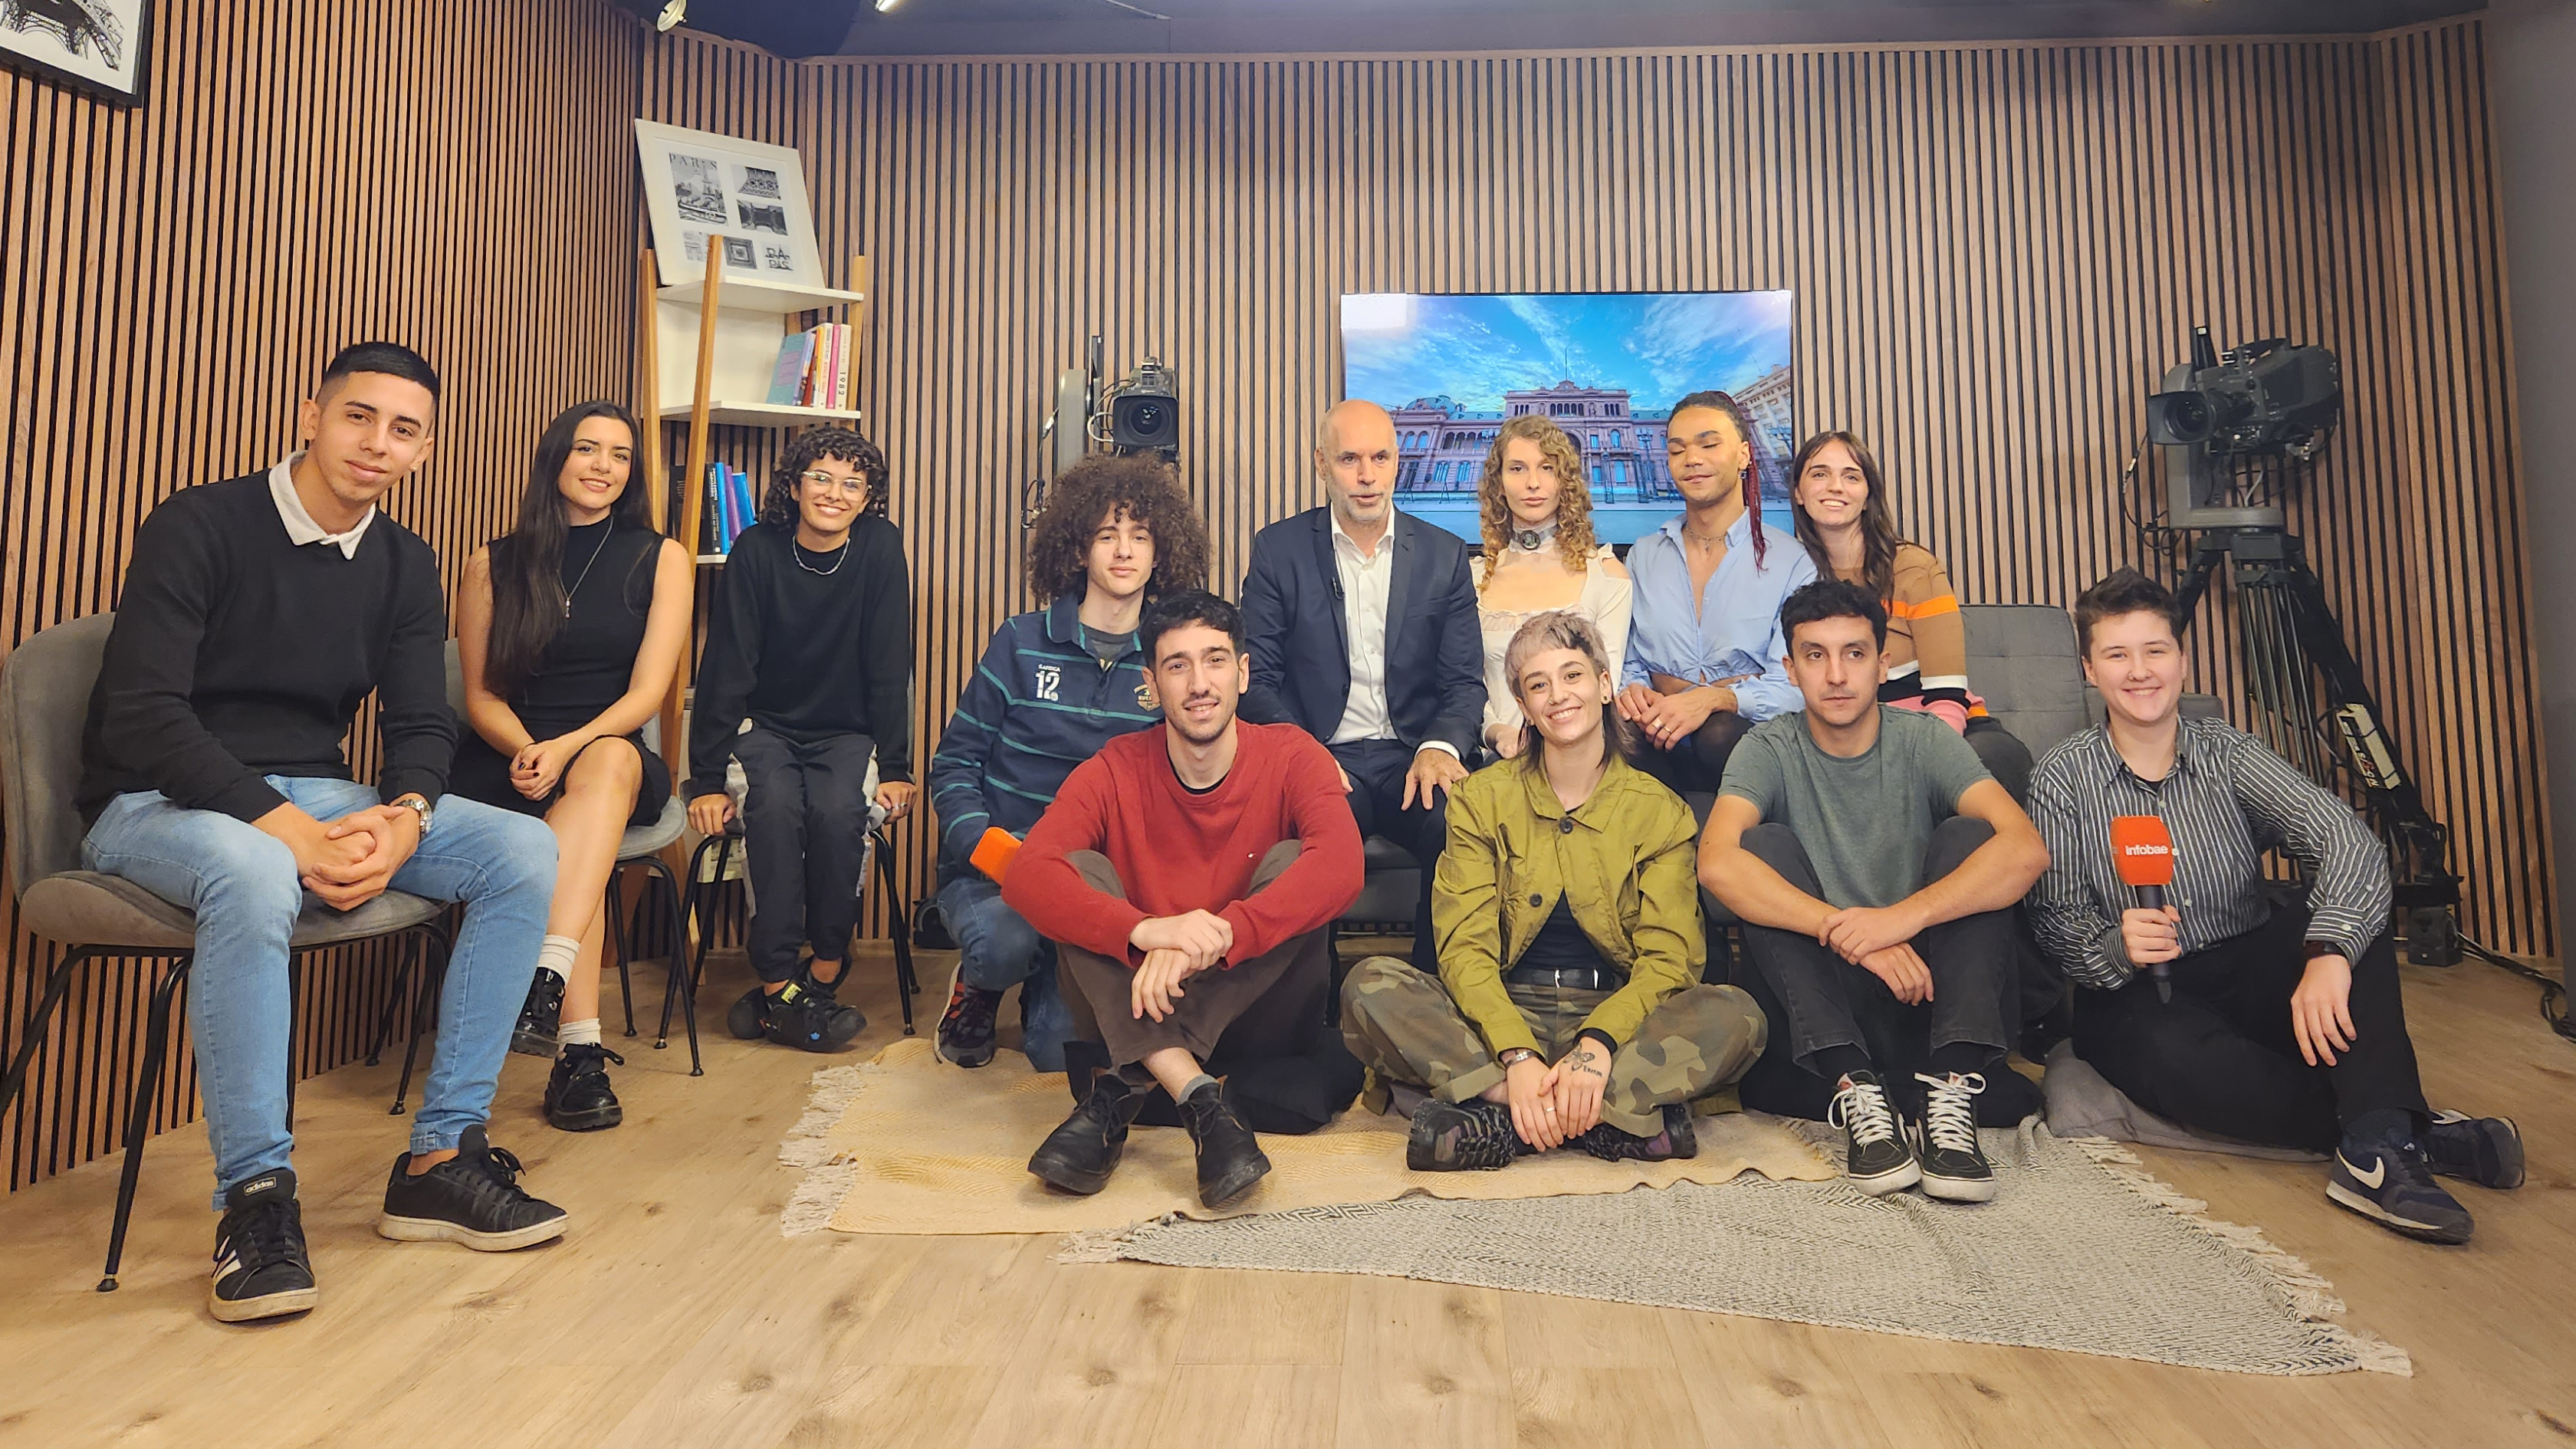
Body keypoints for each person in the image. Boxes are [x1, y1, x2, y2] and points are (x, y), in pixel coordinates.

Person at [76, 343, 570, 1324]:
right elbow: (141, 715)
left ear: (424, 450)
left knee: (522, 848)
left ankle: (442, 1155)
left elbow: (423, 724)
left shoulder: (402, 560)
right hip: (151, 802)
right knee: (258, 872)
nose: (376, 445)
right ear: (311, 415)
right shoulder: (200, 524)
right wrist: (289, 828)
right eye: (358, 417)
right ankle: (255, 1204)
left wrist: (405, 816)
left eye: (404, 430)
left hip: (315, 794)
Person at [2026, 569, 2525, 1244]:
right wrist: (2114, 943)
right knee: (2207, 1077)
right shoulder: (2061, 774)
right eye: (2118, 655)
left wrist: (2326, 955)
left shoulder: (2229, 752)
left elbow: (2346, 841)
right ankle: (2404, 1134)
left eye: (2156, 650)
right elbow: (2053, 917)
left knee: (2351, 920)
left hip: (2249, 955)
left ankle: (2376, 1152)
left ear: (2181, 658)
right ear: (2090, 669)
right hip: (2137, 994)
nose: (2140, 672)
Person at [1341, 611, 1768, 1171]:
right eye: (1538, 685)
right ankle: (1592, 1115)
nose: (1558, 696)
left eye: (1573, 676)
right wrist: (1516, 1056)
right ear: (1523, 705)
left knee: (1739, 1015)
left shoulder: (1660, 810)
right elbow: (1464, 952)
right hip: (1501, 1011)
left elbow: (1669, 961)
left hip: (1618, 1023)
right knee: (1371, 983)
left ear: (1604, 685)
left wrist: (1596, 1046)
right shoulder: (1479, 800)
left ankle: (1493, 1118)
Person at [1004, 591, 1364, 1208]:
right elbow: (1028, 874)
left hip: (1259, 1013)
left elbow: (1343, 866)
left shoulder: (1291, 754)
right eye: (1177, 666)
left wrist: (1222, 935)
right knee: (1078, 870)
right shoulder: (1114, 768)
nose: (1200, 683)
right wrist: (1145, 932)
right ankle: (1197, 1094)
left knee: (1293, 865)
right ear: (1151, 685)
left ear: (1243, 673)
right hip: (1139, 993)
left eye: (1216, 661)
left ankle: (1123, 1088)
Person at [1698, 580, 2049, 1201]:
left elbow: (2026, 848)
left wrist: (1900, 921)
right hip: (1821, 1021)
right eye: (1815, 655)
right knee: (1762, 849)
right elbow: (1718, 865)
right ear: (1790, 667)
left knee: (1976, 839)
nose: (1836, 674)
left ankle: (1950, 1093)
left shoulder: (1925, 740)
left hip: (1927, 1001)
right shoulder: (1768, 747)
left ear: (1883, 664)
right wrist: (1850, 933)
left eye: (1855, 653)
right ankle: (1856, 1092)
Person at [451, 400, 694, 1131]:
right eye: (587, 449)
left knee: (609, 767)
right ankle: (577, 1051)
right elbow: (480, 693)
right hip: (509, 756)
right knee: (580, 841)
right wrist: (530, 748)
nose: (603, 467)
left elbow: (648, 692)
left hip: (606, 749)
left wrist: (568, 748)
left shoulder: (662, 557)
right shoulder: (490, 564)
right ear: (556, 459)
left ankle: (544, 975)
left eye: (620, 456)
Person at [928, 455, 1208, 1070]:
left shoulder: (1169, 661)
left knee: (1059, 1058)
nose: (1124, 551)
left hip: (1100, 887)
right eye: (1106, 535)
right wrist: (994, 851)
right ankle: (979, 986)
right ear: (1078, 550)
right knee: (1003, 942)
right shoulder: (1021, 641)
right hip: (1002, 873)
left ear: (1161, 553)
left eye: (1140, 536)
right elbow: (952, 767)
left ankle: (1049, 982)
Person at [685, 427, 914, 1053]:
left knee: (839, 812)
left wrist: (895, 764)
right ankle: (778, 978)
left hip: (847, 732)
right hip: (769, 730)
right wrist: (705, 778)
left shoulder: (878, 549)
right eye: (820, 477)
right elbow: (726, 667)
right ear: (793, 485)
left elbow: (892, 661)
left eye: (852, 484)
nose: (834, 494)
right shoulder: (757, 551)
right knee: (778, 809)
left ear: (868, 499)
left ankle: (818, 973)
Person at [1240, 399, 1486, 968]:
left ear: (1398, 461)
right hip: (1320, 753)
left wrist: (1438, 746)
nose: (1367, 475)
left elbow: (1464, 683)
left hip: (1411, 754)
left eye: (1380, 458)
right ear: (1321, 464)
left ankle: (1432, 995)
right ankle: (1314, 1014)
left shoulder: (1444, 555)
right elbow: (1257, 679)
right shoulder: (1279, 550)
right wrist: (1301, 754)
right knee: (1311, 839)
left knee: (1460, 823)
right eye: (1350, 459)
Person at [1789, 429, 2033, 803]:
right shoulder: (1787, 577)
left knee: (1993, 760)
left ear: (1868, 495)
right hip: (1844, 737)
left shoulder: (1913, 568)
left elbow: (1947, 692)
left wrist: (1922, 762)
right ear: (1798, 492)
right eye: (1820, 474)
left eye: (1852, 476)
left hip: (1942, 727)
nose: (1835, 486)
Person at [1617, 391, 1815, 794]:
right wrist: (1633, 691)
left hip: (1747, 747)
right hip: (1657, 742)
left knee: (1718, 732)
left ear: (1743, 455)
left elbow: (1797, 684)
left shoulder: (1792, 562)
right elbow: (1628, 658)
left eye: (1709, 445)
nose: (1692, 459)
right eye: (1678, 450)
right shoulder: (1643, 555)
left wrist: (1714, 699)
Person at [1468, 416, 1631, 761]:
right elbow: (1463, 686)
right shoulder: (1471, 579)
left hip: (1581, 761)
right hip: (1494, 757)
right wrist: (1499, 735)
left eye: (1547, 468)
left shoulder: (1607, 575)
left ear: (1565, 481)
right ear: (1498, 483)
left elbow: (1605, 688)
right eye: (1517, 469)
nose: (1532, 483)